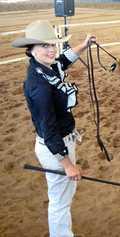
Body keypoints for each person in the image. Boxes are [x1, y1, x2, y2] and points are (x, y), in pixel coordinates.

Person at [12, 20, 95, 237]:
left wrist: (84, 45)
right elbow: (48, 130)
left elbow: (63, 60)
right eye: (44, 46)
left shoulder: (47, 68)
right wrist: (67, 164)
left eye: (51, 44)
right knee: (60, 201)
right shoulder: (38, 86)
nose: (50, 50)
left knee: (63, 196)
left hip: (62, 141)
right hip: (55, 148)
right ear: (30, 50)